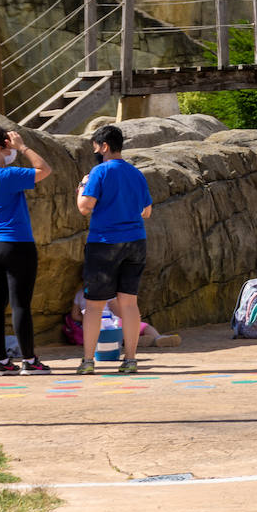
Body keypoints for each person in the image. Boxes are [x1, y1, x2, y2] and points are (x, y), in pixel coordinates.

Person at [0, 126, 53, 376]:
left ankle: (0, 362)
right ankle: (29, 360)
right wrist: (24, 147)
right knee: (20, 305)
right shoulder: (7, 175)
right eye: (9, 147)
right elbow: (44, 170)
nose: (12, 152)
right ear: (0, 148)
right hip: (17, 244)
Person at [75, 124, 153, 376]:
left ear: (104, 146)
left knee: (95, 305)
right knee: (129, 303)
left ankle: (88, 361)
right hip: (136, 241)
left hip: (104, 242)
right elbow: (147, 211)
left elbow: (85, 207)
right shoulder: (136, 173)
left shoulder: (99, 172)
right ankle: (130, 359)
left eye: (96, 147)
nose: (95, 151)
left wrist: (81, 188)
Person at [67, 289, 181, 348]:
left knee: (112, 338)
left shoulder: (80, 293)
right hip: (112, 322)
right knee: (144, 327)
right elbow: (117, 311)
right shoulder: (107, 292)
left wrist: (88, 321)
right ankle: (157, 338)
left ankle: (129, 342)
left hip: (92, 327)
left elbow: (74, 315)